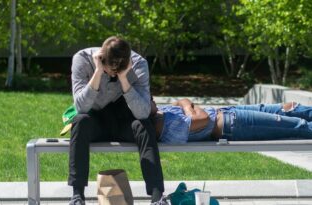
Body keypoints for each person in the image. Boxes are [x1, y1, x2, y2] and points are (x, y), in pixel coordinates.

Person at [69, 36, 167, 205]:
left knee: (144, 125)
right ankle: (77, 196)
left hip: (125, 119)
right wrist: (99, 72)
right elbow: (81, 108)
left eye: (118, 70)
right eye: (110, 69)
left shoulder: (138, 64)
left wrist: (124, 78)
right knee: (79, 121)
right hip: (96, 119)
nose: (113, 73)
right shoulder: (82, 59)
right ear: (101, 58)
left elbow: (143, 112)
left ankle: (157, 197)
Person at [150, 98, 312, 143]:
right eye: (149, 99)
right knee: (299, 126)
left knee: (289, 107)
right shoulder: (164, 127)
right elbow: (203, 118)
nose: (151, 98)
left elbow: (183, 101)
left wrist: (187, 106)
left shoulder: (161, 113)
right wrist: (190, 107)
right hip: (233, 124)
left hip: (230, 111)